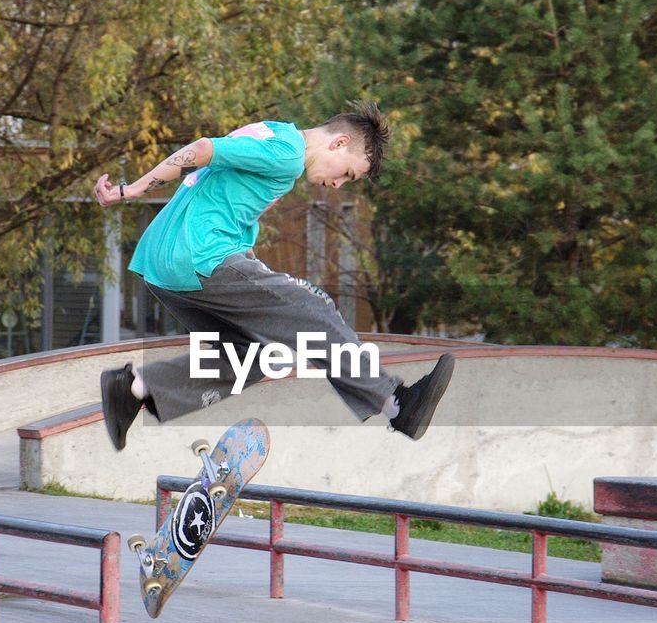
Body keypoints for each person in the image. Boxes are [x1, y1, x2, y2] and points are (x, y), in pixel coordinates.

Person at [93, 102, 453, 449]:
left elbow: (226, 196)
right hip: (198, 254)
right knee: (314, 309)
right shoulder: (287, 155)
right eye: (346, 173)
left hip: (163, 264)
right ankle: (396, 404)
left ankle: (134, 388)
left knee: (262, 355)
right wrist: (132, 189)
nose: (337, 184)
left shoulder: (274, 132)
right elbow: (203, 149)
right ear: (339, 142)